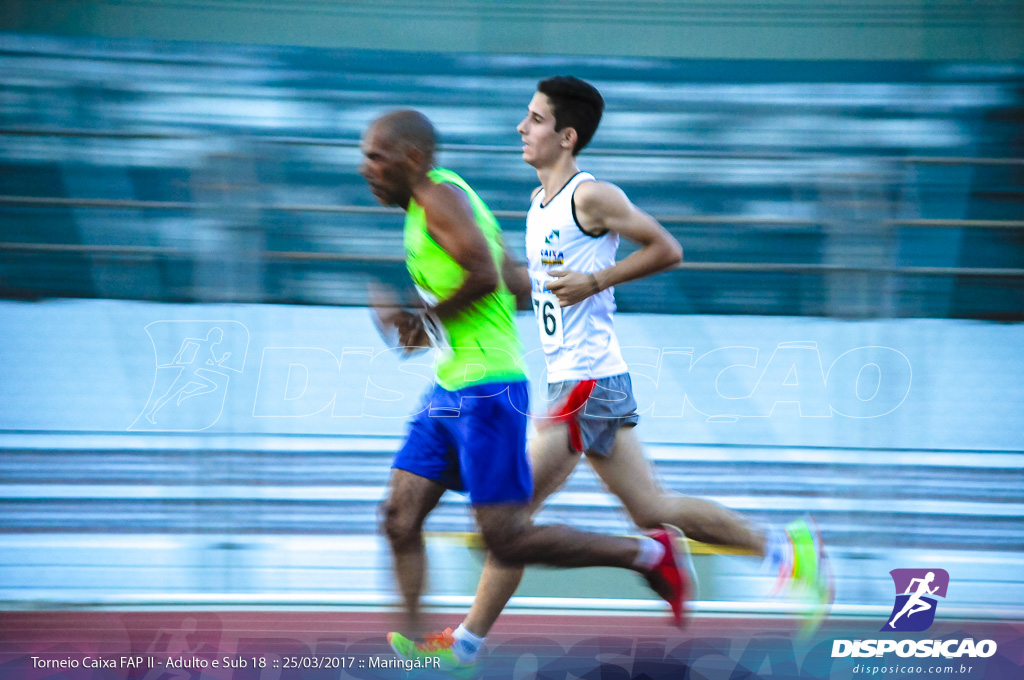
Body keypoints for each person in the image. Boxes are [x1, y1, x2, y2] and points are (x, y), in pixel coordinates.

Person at [387, 77, 833, 671]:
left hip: (587, 386)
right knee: (649, 507)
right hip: (579, 383)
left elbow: (666, 248)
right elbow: (532, 288)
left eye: (536, 119)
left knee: (509, 524)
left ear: (566, 137)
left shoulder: (587, 196)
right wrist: (450, 310)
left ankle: (465, 645)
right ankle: (784, 549)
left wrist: (596, 281)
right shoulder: (538, 205)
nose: (522, 128)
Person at [359, 109, 693, 650]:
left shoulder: (437, 199)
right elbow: (513, 284)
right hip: (452, 388)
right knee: (399, 518)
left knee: (507, 540)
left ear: (411, 159)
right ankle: (415, 649)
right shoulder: (444, 200)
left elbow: (487, 276)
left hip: (487, 392)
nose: (365, 168)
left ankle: (650, 555)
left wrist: (423, 320)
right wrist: (432, 322)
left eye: (375, 156)